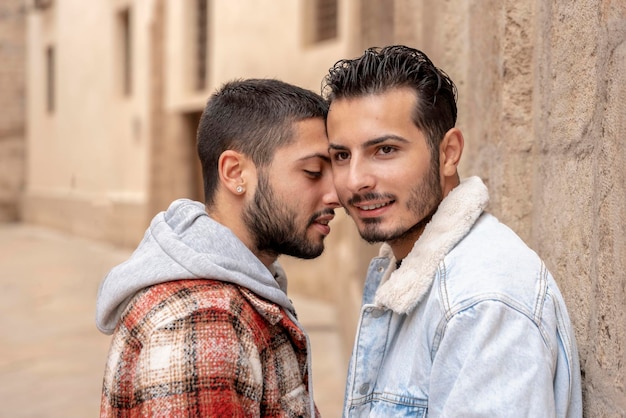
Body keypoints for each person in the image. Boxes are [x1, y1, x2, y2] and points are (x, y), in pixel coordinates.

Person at [322, 45, 582, 417]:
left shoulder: (481, 304)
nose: (356, 180)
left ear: (448, 153)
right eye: (342, 156)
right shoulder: (404, 270)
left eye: (385, 150)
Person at [95, 78, 340, 417]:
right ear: (235, 172)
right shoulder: (204, 323)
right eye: (313, 172)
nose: (336, 195)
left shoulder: (241, 290)